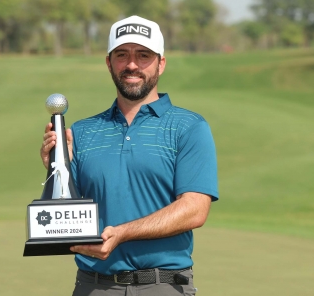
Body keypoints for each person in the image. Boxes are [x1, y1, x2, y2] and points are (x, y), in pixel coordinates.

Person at [40, 15, 218, 296]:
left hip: (163, 286)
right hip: (93, 285)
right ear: (109, 62)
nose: (132, 64)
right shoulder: (83, 132)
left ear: (161, 63)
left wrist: (122, 233)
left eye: (143, 55)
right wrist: (56, 169)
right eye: (122, 55)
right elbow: (71, 213)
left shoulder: (189, 127)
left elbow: (195, 209)